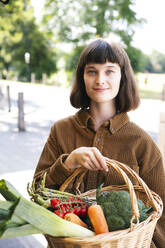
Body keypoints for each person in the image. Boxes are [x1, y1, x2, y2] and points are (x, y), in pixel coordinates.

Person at [33, 38, 165, 248]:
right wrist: (67, 164)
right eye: (92, 71)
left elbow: (160, 215)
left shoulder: (142, 142)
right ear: (82, 77)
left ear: (123, 77)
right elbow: (37, 193)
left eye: (109, 71)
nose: (100, 79)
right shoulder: (61, 131)